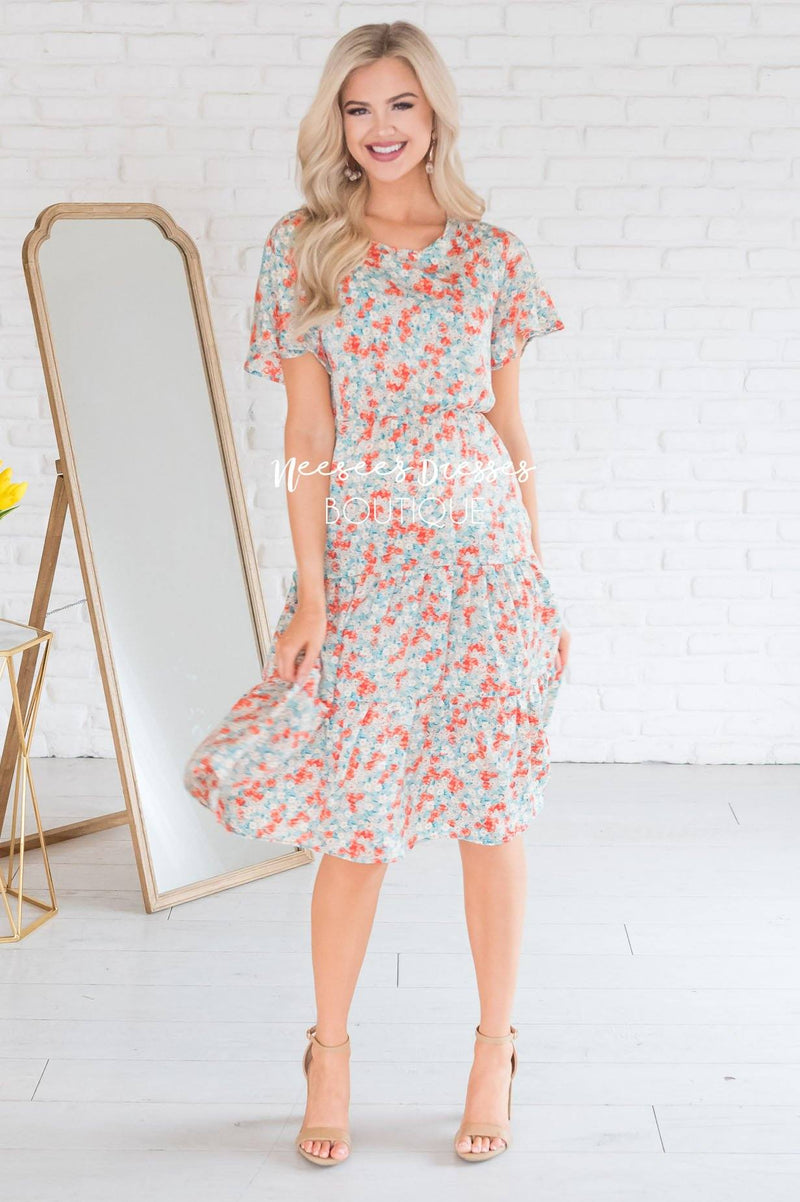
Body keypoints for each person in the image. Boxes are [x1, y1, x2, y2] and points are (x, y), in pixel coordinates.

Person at [186, 19, 571, 1167]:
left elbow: (509, 432)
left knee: (491, 820)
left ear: (433, 111)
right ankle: (329, 1051)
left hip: (483, 568)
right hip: (368, 568)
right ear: (336, 123)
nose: (380, 128)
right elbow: (306, 435)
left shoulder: (489, 254)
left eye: (399, 104)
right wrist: (310, 597)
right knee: (357, 825)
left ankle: (493, 1047)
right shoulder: (304, 248)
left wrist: (536, 577)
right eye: (358, 108)